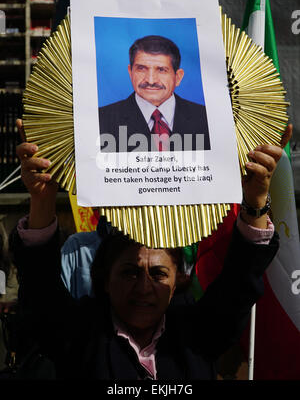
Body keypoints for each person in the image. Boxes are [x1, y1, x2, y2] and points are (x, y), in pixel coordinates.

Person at [10, 120, 292, 379]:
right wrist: (42, 199)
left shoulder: (200, 333)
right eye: (130, 273)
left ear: (179, 278)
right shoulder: (78, 336)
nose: (143, 287)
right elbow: (40, 290)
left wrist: (255, 199)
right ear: (105, 278)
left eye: (158, 274)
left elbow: (240, 281)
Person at [98, 35, 210, 152]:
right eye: (141, 68)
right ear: (130, 72)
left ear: (178, 77)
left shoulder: (206, 119)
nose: (151, 81)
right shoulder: (101, 120)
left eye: (161, 70)